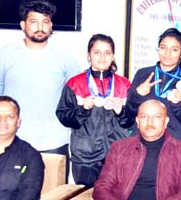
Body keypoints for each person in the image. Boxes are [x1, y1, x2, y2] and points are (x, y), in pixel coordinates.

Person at [0, 0, 79, 168]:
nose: (40, 27)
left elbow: (76, 95)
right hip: (14, 140)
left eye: (45, 22)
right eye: (33, 22)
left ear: (51, 26)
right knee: (12, 193)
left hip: (54, 141)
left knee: (55, 193)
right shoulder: (5, 56)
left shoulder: (65, 58)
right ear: (23, 25)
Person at [56, 34, 132, 187]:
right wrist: (83, 110)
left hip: (118, 156)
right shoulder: (75, 84)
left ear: (113, 56)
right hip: (86, 157)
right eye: (97, 52)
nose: (102, 57)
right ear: (88, 55)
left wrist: (121, 113)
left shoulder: (124, 85)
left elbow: (131, 121)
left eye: (107, 53)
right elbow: (63, 116)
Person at [127, 28, 181, 145]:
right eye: (163, 48)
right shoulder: (143, 74)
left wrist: (177, 104)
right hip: (142, 142)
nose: (167, 54)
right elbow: (129, 115)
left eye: (174, 50)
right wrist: (137, 95)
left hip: (175, 145)